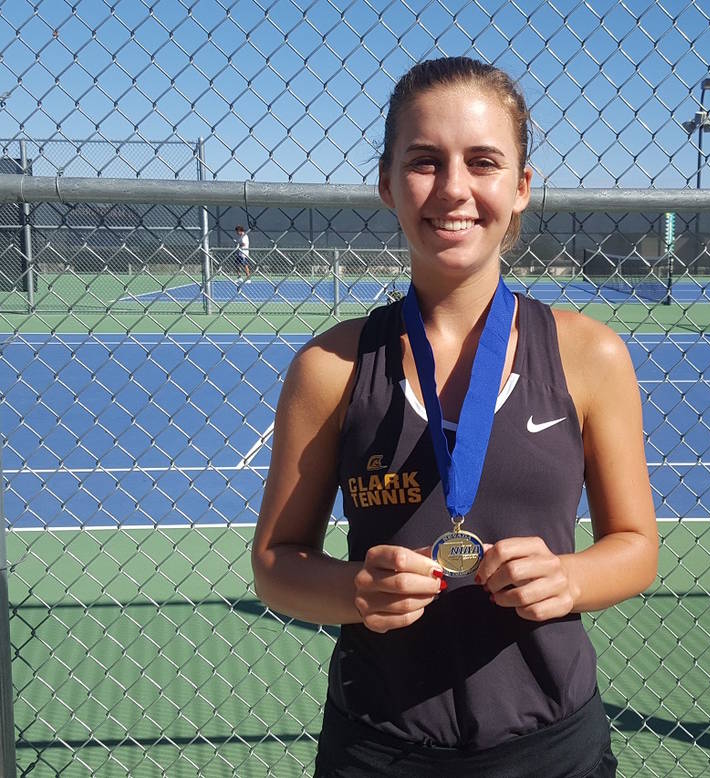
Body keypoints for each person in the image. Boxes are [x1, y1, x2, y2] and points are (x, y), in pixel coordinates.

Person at [251, 56, 659, 778]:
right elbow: (277, 563)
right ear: (386, 183)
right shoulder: (331, 367)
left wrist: (568, 578)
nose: (454, 189)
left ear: (522, 187)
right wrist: (353, 591)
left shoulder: (591, 354)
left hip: (551, 745)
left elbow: (635, 545)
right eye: (424, 162)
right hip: (378, 746)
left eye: (483, 161)